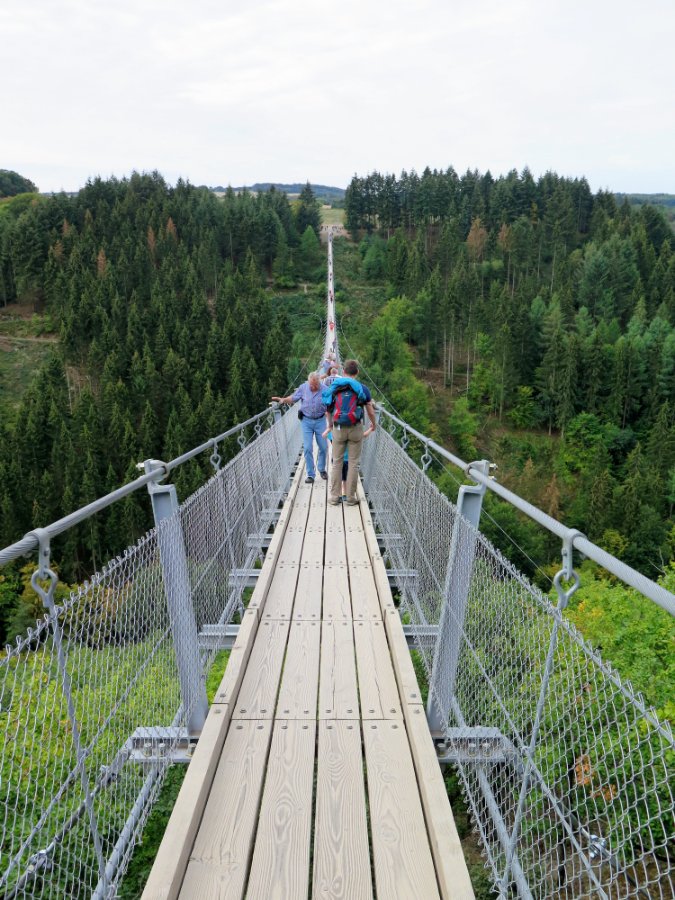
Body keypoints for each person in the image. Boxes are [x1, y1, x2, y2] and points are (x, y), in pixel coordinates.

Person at [323, 359, 376, 505]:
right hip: (355, 428)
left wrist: (330, 425)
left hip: (338, 428)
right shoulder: (362, 388)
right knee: (353, 463)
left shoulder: (335, 387)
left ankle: (335, 497)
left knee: (337, 462)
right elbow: (370, 411)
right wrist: (374, 423)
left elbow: (328, 410)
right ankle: (351, 498)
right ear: (357, 372)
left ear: (343, 371)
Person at [272, 372, 328, 483]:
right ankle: (310, 474)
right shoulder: (303, 387)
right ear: (308, 382)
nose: (313, 387)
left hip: (320, 421)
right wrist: (283, 400)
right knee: (307, 448)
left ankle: (321, 469)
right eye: (311, 385)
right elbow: (293, 398)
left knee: (323, 447)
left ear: (319, 382)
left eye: (315, 385)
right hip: (306, 421)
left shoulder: (325, 389)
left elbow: (332, 403)